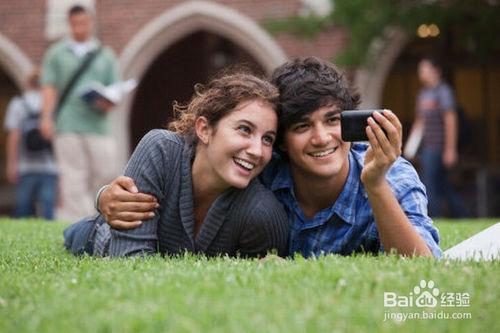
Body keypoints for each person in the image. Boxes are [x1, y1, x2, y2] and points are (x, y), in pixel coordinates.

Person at [97, 57, 442, 258]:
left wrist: (376, 184)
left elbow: (423, 268)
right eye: (303, 125)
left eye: (333, 120)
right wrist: (104, 198)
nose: (322, 137)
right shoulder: (262, 166)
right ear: (283, 144)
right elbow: (190, 163)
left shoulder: (391, 173)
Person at [63, 72, 289, 258]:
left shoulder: (262, 212)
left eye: (267, 139)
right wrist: (100, 197)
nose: (257, 151)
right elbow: (128, 261)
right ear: (204, 129)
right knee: (77, 233)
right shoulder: (161, 150)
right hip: (96, 236)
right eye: (244, 129)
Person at [40, 5, 119, 221]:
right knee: (73, 174)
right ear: (69, 24)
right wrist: (46, 117)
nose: (80, 28)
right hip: (67, 123)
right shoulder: (56, 54)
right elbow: (49, 87)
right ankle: (80, 221)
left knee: (104, 171)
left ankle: (98, 215)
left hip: (98, 125)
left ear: (91, 22)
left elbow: (115, 89)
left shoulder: (105, 55)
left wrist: (107, 101)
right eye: (75, 24)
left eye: (83, 23)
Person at [407, 56, 465, 218]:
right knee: (440, 185)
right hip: (427, 148)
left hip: (439, 147)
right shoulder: (423, 94)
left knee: (432, 185)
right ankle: (460, 214)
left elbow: (450, 120)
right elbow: (420, 122)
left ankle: (435, 218)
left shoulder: (443, 91)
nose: (421, 73)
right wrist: (410, 147)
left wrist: (450, 149)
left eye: (424, 69)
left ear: (436, 71)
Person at [4, 70, 58, 220]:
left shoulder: (18, 104)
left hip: (24, 167)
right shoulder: (51, 104)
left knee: (23, 208)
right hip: (50, 167)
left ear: (27, 83)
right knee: (48, 209)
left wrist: (11, 165)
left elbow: (14, 137)